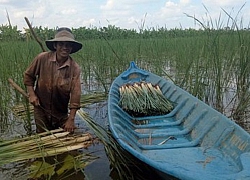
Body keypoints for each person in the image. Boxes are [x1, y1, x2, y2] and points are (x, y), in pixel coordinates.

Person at [23, 27, 82, 133]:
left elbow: (75, 95)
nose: (64, 48)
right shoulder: (42, 58)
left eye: (68, 45)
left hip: (60, 112)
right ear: (55, 45)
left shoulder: (74, 68)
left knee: (66, 138)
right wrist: (32, 94)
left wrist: (71, 119)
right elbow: (28, 76)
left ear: (72, 47)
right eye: (61, 44)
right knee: (42, 136)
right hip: (41, 108)